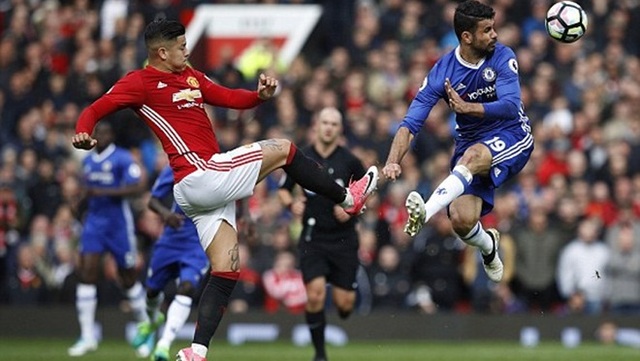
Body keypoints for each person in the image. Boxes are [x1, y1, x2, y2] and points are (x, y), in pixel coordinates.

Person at [71, 19, 378, 361]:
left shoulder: (189, 75)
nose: (187, 51)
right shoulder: (140, 82)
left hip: (200, 190)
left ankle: (196, 351)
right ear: (161, 52)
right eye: (181, 47)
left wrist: (258, 97)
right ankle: (349, 198)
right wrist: (84, 132)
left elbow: (228, 97)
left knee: (226, 268)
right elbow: (95, 109)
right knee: (285, 149)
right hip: (200, 173)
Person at [382, 0, 533, 283]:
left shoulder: (502, 56)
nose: (495, 35)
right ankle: (489, 247)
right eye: (487, 30)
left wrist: (468, 108)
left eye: (494, 28)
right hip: (471, 143)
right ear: (467, 36)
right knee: (462, 220)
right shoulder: (443, 72)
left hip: (512, 134)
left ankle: (424, 213)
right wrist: (392, 162)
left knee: (473, 156)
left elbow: (512, 106)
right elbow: (410, 124)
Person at [278, 107, 366, 361]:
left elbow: (367, 192)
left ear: (340, 130)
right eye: (324, 122)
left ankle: (341, 308)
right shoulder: (302, 157)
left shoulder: (350, 161)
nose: (328, 127)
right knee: (315, 294)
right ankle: (320, 354)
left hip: (344, 238)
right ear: (316, 125)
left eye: (334, 124)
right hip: (313, 236)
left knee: (344, 305)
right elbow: (284, 190)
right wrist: (290, 204)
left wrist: (351, 211)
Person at [68, 121, 148, 357]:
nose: (100, 137)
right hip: (94, 223)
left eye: (104, 133)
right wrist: (78, 203)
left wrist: (104, 192)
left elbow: (138, 186)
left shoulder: (122, 158)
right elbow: (87, 190)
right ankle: (87, 335)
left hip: (118, 225)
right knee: (87, 273)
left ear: (111, 135)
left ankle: (147, 330)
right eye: (97, 134)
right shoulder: (89, 160)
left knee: (127, 278)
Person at [131, 165, 209, 361]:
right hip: (171, 239)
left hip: (198, 242)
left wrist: (245, 217)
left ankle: (163, 345)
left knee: (187, 287)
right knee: (152, 291)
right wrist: (166, 215)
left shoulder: (219, 163)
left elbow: (239, 193)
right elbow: (153, 201)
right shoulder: (177, 164)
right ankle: (153, 319)